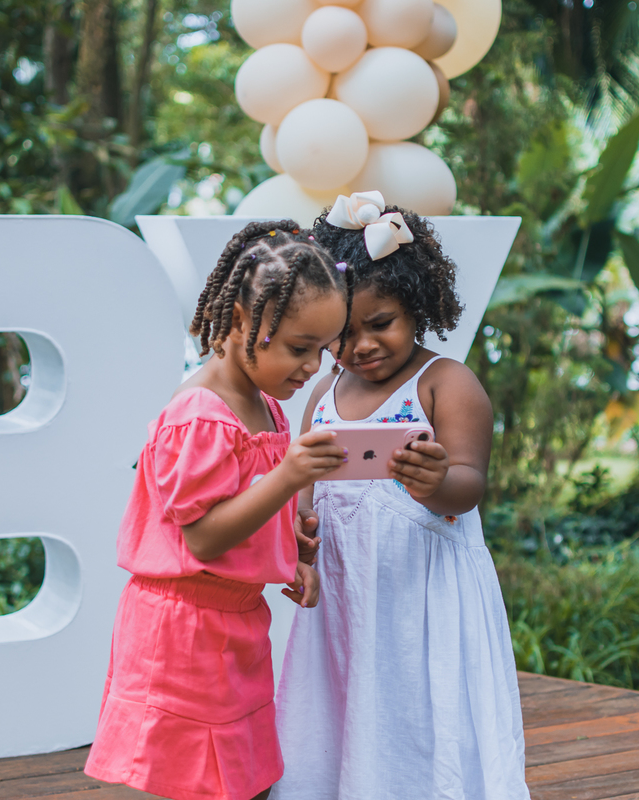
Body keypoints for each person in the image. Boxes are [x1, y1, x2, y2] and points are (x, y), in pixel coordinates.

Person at [85, 221, 356, 800]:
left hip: (236, 625)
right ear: (239, 321)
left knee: (241, 777)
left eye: (323, 350)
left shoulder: (268, 408)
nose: (313, 367)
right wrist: (288, 476)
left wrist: (293, 548)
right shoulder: (200, 416)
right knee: (188, 780)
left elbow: (249, 515)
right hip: (183, 631)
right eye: (298, 348)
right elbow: (204, 538)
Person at [275, 193, 531, 800]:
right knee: (347, 705)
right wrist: (302, 530)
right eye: (342, 334)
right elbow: (309, 488)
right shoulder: (324, 396)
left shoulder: (446, 384)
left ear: (417, 306)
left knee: (417, 710)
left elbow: (468, 486)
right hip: (346, 593)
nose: (361, 346)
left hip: (423, 598)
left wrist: (435, 480)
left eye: (380, 323)